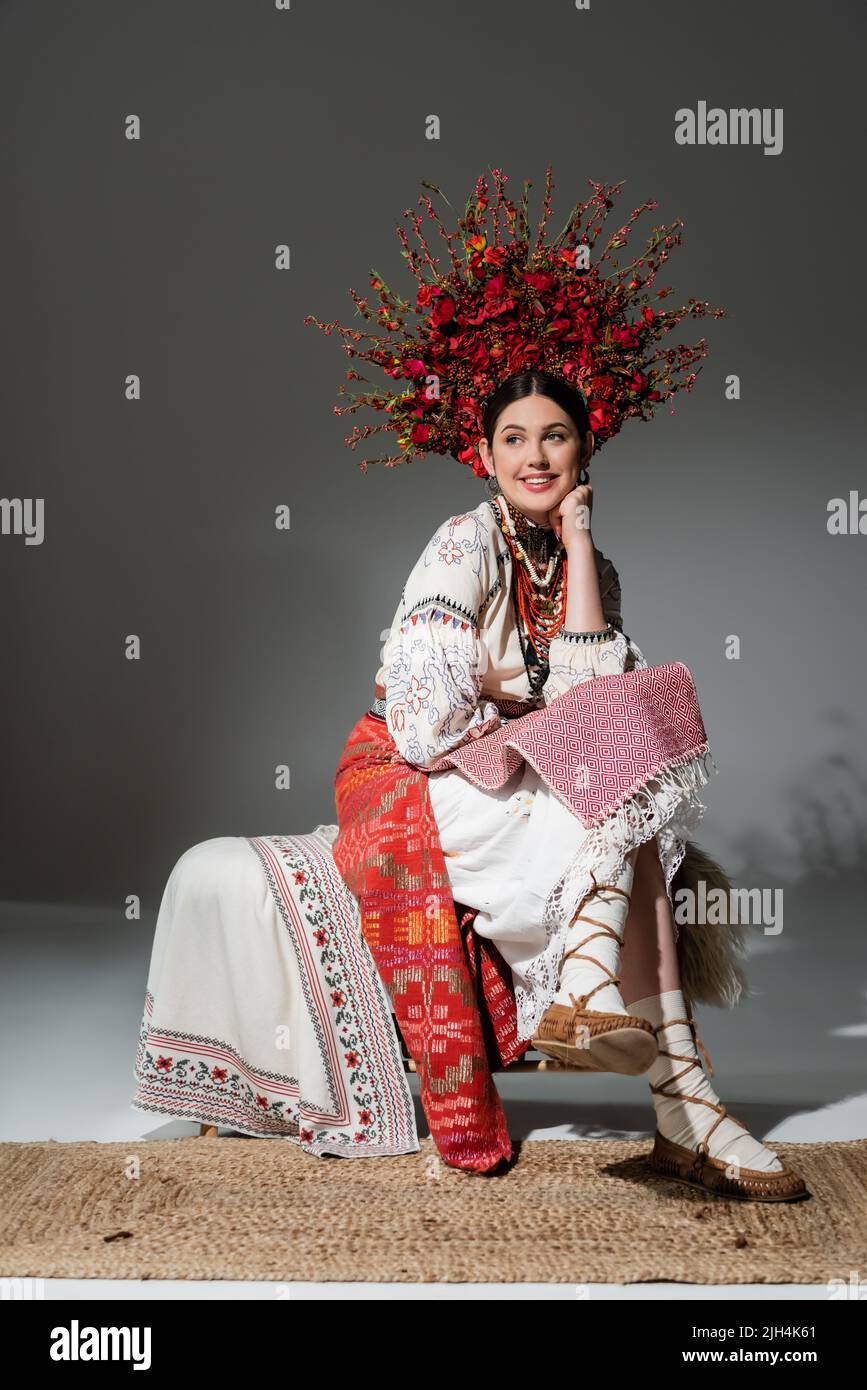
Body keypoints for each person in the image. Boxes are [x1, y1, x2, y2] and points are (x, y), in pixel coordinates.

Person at [317, 169, 809, 1200]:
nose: (534, 454)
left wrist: (580, 539)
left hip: (508, 774)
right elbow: (420, 723)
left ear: (585, 446)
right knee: (619, 804)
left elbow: (593, 698)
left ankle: (632, 1037)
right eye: (513, 438)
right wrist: (522, 713)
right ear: (484, 454)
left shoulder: (584, 558)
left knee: (634, 750)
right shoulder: (464, 545)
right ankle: (685, 1104)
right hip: (414, 780)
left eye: (554, 434)